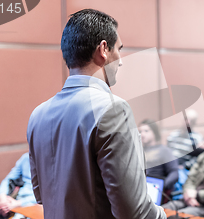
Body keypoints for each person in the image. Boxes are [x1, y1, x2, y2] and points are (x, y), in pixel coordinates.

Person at [26, 9, 165, 219]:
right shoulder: (113, 109)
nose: (121, 60)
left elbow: (41, 194)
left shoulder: (37, 115)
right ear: (103, 50)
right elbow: (133, 212)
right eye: (119, 49)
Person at [139, 119, 179, 191]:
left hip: (155, 189)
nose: (142, 134)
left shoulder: (164, 150)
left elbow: (174, 173)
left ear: (154, 132)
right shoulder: (138, 152)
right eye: (140, 131)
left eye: (146, 131)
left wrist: (161, 186)